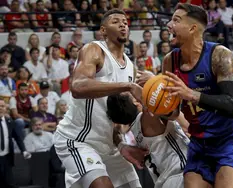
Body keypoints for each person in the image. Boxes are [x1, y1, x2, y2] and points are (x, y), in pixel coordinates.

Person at [53, 9, 147, 188]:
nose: (122, 25)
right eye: (116, 21)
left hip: (108, 144)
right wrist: (127, 86)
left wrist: (121, 145)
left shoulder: (130, 68)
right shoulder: (94, 50)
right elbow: (78, 86)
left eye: (125, 22)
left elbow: (113, 119)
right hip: (78, 140)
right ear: (103, 30)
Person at [162, 3, 233, 188]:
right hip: (200, 143)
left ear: (193, 28)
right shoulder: (170, 61)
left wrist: (192, 94)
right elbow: (171, 113)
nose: (169, 25)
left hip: (230, 139)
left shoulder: (220, 55)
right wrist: (149, 95)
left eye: (176, 20)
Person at [107, 92, 189, 188]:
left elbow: (116, 129)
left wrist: (121, 145)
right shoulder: (147, 118)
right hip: (179, 176)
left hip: (167, 181)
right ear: (136, 102)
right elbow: (184, 122)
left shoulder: (135, 129)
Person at [0, 98, 31, 188]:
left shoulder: (10, 122)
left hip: (7, 158)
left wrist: (24, 150)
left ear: (6, 108)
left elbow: (17, 138)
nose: (0, 108)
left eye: (2, 106)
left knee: (10, 183)